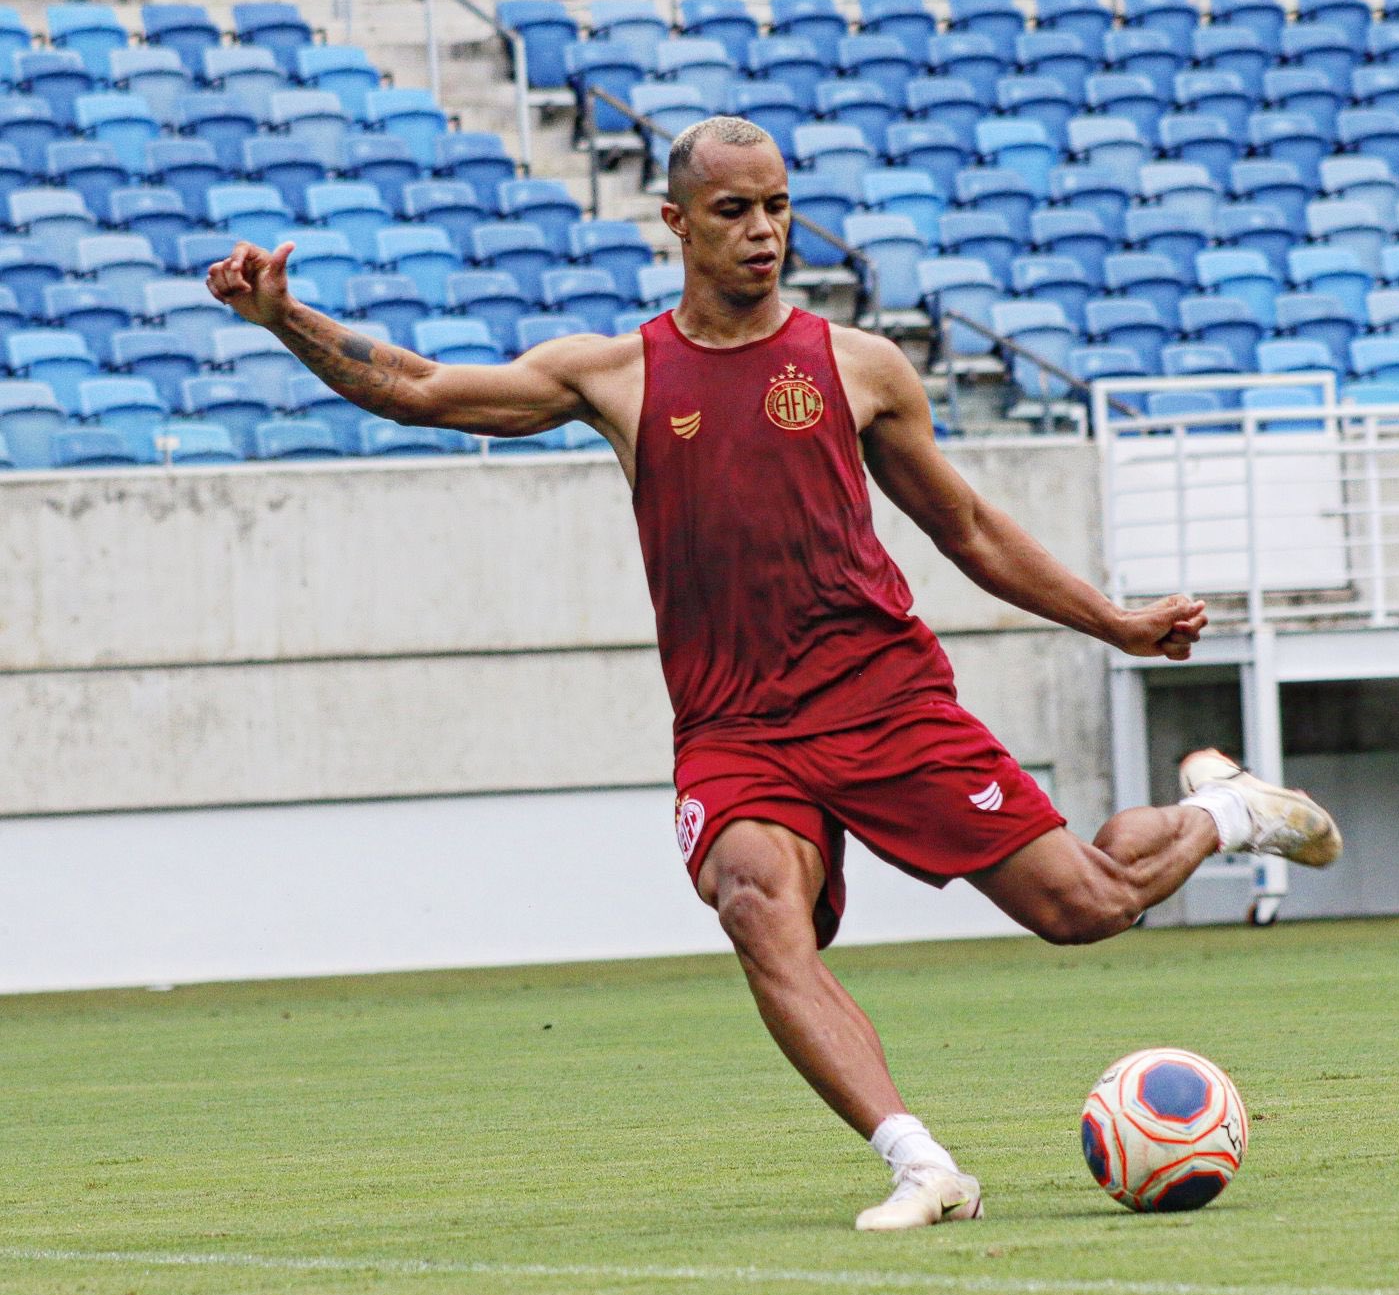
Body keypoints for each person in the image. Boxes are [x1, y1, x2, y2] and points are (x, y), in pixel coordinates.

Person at [206, 116, 1341, 1232]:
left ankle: (1227, 812)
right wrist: (283, 317)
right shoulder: (616, 375)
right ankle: (924, 1165)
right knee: (756, 902)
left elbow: (969, 530)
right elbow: (420, 387)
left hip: (885, 700)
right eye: (733, 211)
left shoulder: (859, 368)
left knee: (1084, 907)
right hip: (735, 728)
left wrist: (1116, 621)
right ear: (676, 224)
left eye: (778, 207)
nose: (763, 231)